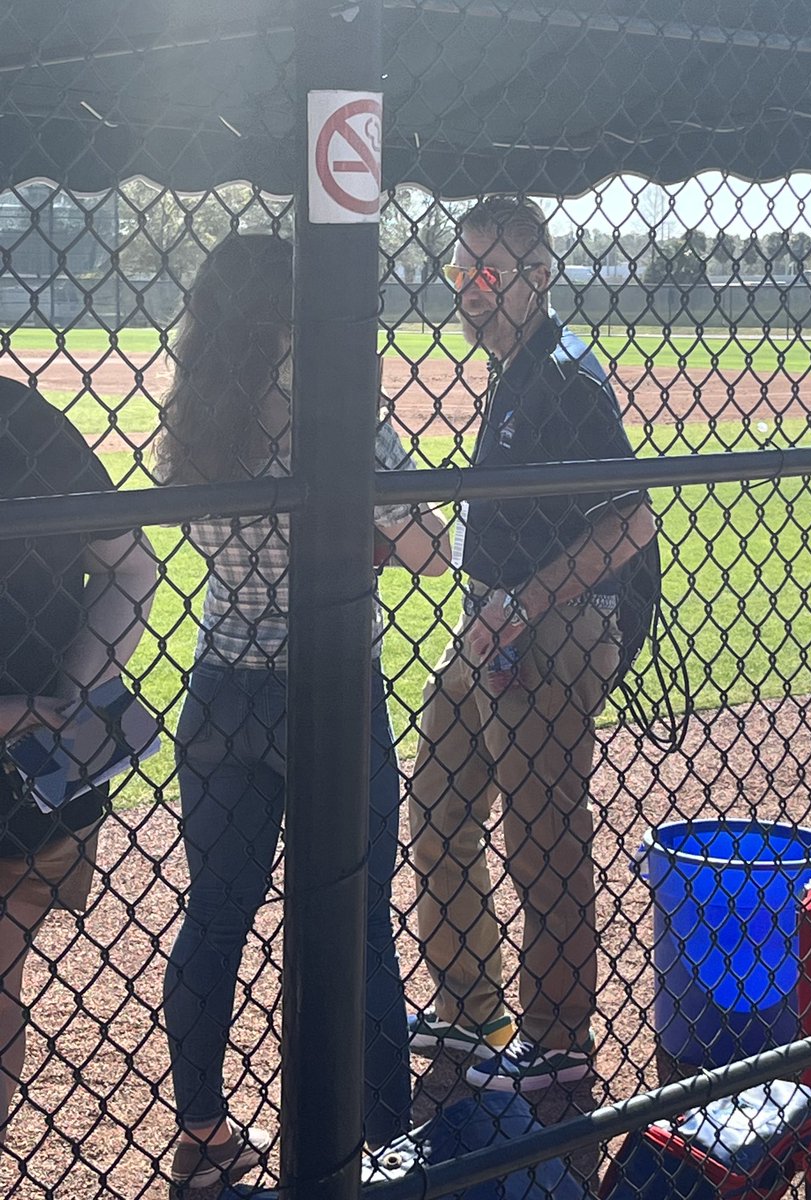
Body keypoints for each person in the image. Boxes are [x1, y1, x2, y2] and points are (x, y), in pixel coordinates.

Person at [156, 234, 449, 1189]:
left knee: (215, 915)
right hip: (329, 686)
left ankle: (201, 1134)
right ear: (293, 313)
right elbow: (425, 549)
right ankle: (383, 1142)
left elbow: (203, 532)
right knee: (359, 920)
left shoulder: (198, 414)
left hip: (221, 682)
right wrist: (361, 532)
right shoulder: (332, 403)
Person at [407, 196, 658, 1091]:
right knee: (435, 813)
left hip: (552, 624)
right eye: (459, 272)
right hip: (494, 619)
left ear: (539, 275)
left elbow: (631, 522)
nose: (470, 291)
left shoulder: (564, 376)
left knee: (540, 834)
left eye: (488, 273)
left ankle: (556, 1042)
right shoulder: (515, 369)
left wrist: (523, 602)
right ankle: (474, 1009)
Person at [0, 376, 156, 1136]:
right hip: (39, 783)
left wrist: (55, 705)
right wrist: (65, 703)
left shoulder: (27, 421)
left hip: (29, 788)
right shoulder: (28, 419)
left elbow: (134, 566)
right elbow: (134, 568)